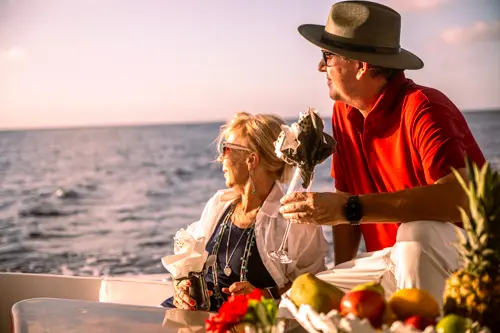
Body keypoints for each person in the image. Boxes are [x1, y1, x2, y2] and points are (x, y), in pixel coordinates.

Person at [279, 0, 486, 304]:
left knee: (419, 235)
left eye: (327, 56)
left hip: (461, 268)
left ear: (360, 66)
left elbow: (462, 199)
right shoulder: (343, 113)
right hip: (389, 262)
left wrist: (349, 208)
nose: (320, 66)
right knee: (298, 302)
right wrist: (342, 266)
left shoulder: (423, 107)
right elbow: (346, 194)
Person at [161, 112, 329, 311]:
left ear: (252, 159)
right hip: (193, 318)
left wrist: (266, 295)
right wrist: (181, 287)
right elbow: (186, 267)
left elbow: (316, 285)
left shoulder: (294, 219)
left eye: (226, 150)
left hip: (243, 324)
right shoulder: (218, 205)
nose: (220, 158)